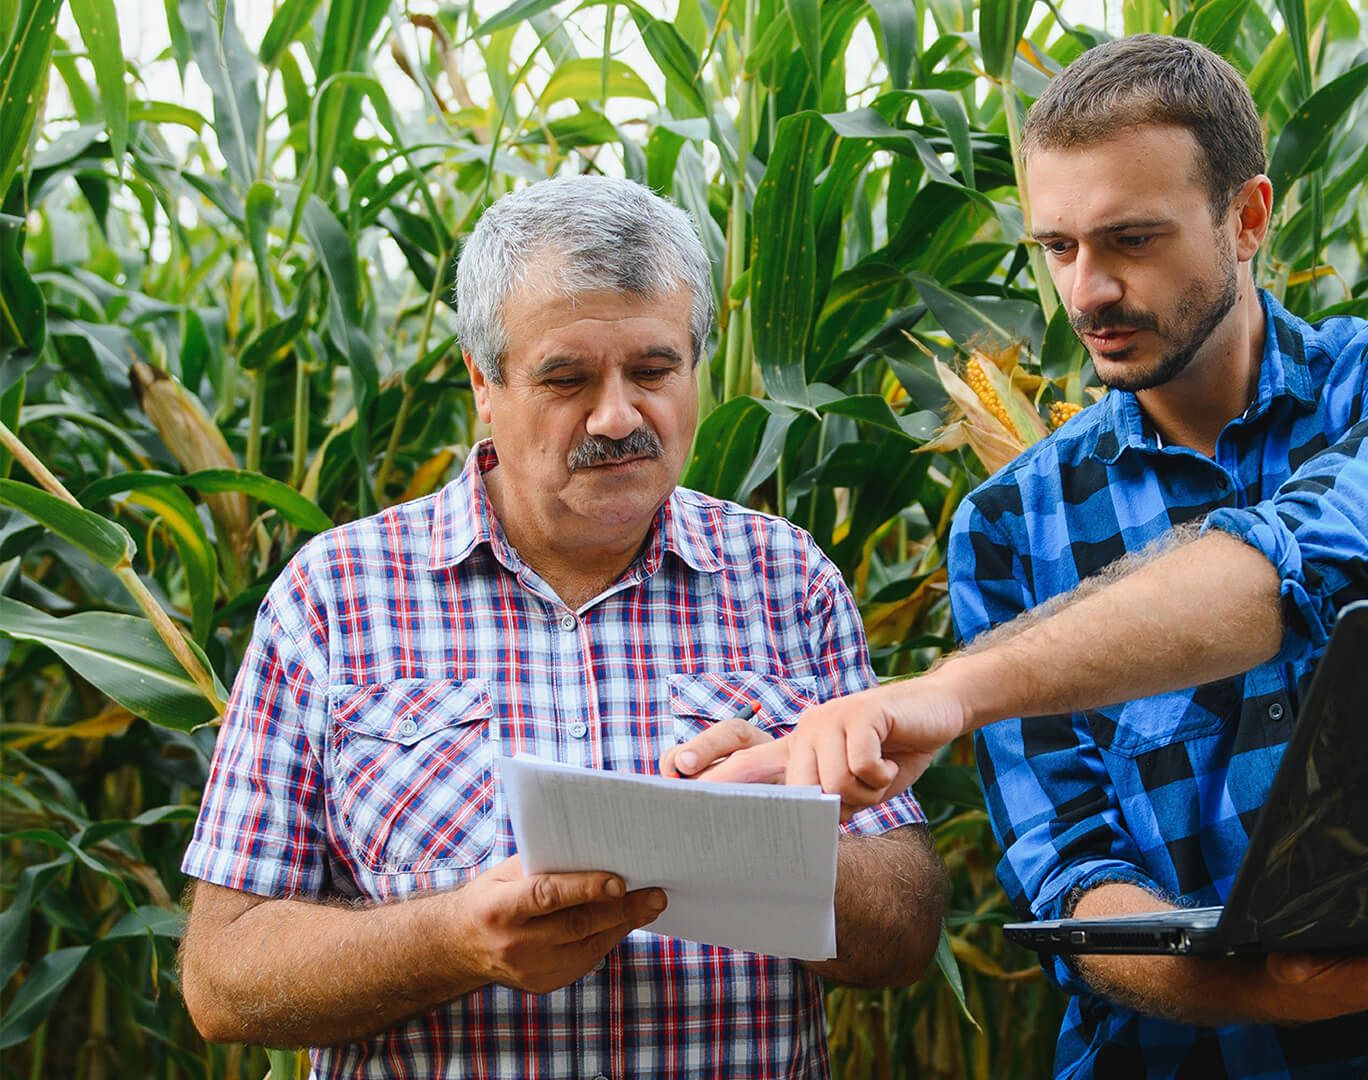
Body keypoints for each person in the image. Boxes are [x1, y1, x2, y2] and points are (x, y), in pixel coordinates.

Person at [697, 35, 1368, 1079]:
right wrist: (1268, 993)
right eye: (1057, 246)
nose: (1088, 290)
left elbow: (1303, 568)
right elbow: (1071, 873)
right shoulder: (1011, 524)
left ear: (1247, 218)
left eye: (1132, 240)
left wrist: (951, 695)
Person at [176, 175, 947, 1079]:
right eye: (566, 378)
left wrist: (769, 845)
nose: (618, 416)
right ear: (484, 384)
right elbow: (223, 979)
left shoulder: (788, 579)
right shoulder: (334, 596)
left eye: (654, 371)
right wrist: (453, 941)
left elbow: (905, 934)